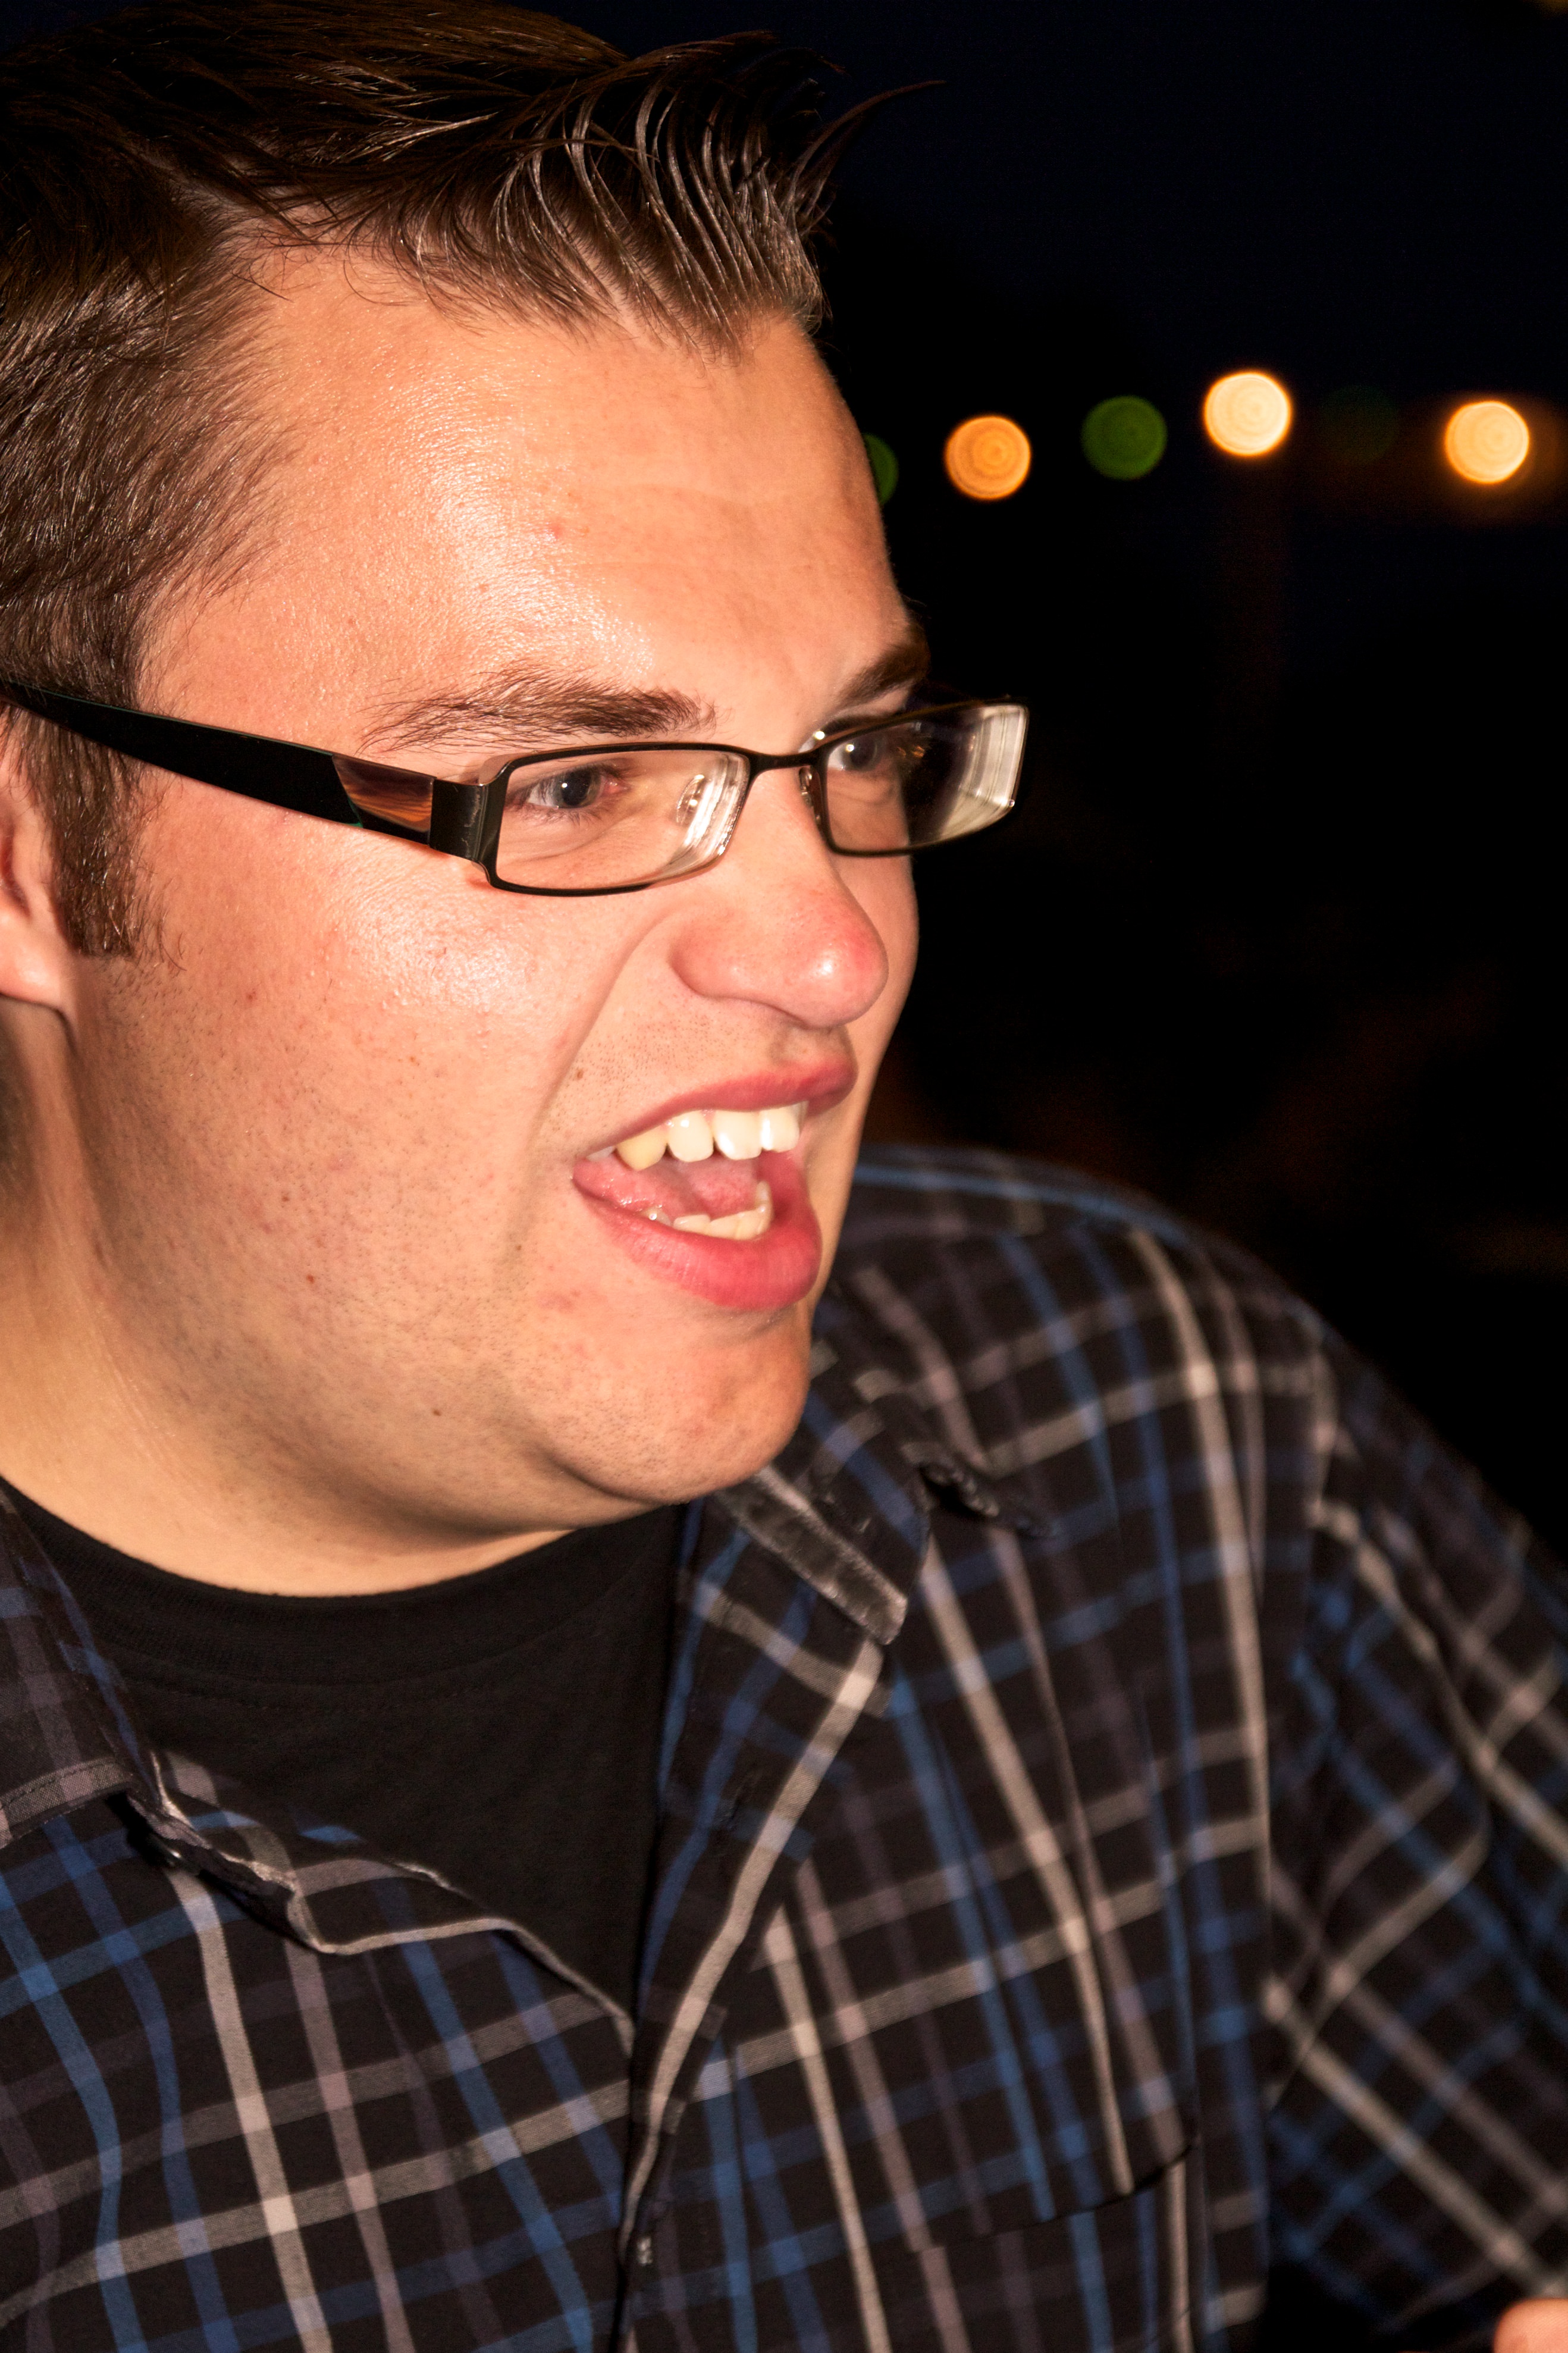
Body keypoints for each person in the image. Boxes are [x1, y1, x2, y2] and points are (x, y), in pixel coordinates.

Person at [0, 5, 1563, 2347]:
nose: (836, 944)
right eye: (566, 783)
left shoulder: (1155, 1436)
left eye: (853, 747)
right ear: (28, 856)